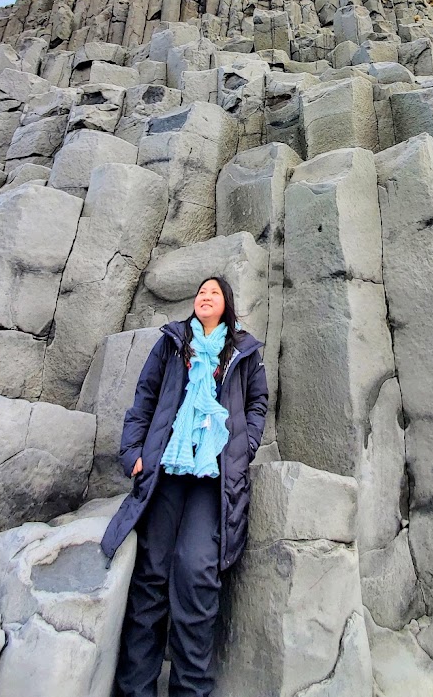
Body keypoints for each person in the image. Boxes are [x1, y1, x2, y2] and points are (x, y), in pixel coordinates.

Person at [101, 275, 269, 697]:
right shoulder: (173, 343)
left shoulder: (244, 351)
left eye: (213, 292)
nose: (204, 296)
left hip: (212, 481)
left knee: (196, 572)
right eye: (200, 291)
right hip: (167, 472)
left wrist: (243, 446)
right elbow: (145, 397)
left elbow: (257, 403)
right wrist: (132, 451)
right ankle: (135, 689)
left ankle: (191, 690)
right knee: (151, 575)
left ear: (227, 304)